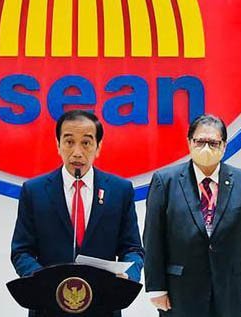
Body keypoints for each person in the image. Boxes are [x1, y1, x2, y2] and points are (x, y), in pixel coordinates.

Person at [10, 110, 144, 309]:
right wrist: (43, 280)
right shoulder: (34, 191)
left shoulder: (120, 190)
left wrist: (127, 277)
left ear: (98, 147)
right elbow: (21, 251)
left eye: (86, 143)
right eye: (69, 142)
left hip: (103, 303)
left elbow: (132, 249)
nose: (77, 152)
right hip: (48, 303)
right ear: (58, 145)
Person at [143, 114, 241, 316]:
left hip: (230, 289)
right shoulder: (165, 181)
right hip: (180, 291)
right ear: (189, 143)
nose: (206, 148)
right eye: (200, 142)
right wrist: (156, 287)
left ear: (224, 146)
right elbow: (153, 238)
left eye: (213, 143)